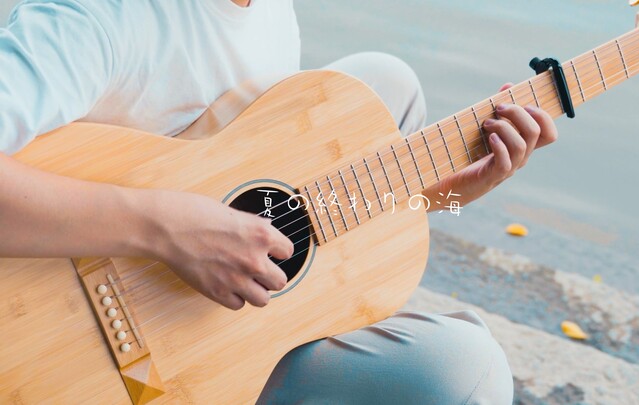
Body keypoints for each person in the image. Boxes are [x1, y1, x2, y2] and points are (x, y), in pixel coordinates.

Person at [0, 0, 557, 403]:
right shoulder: (93, 18)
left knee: (387, 87)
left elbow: (291, 215)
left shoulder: (269, 14)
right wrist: (164, 229)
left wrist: (450, 195)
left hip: (212, 325)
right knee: (468, 370)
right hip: (87, 356)